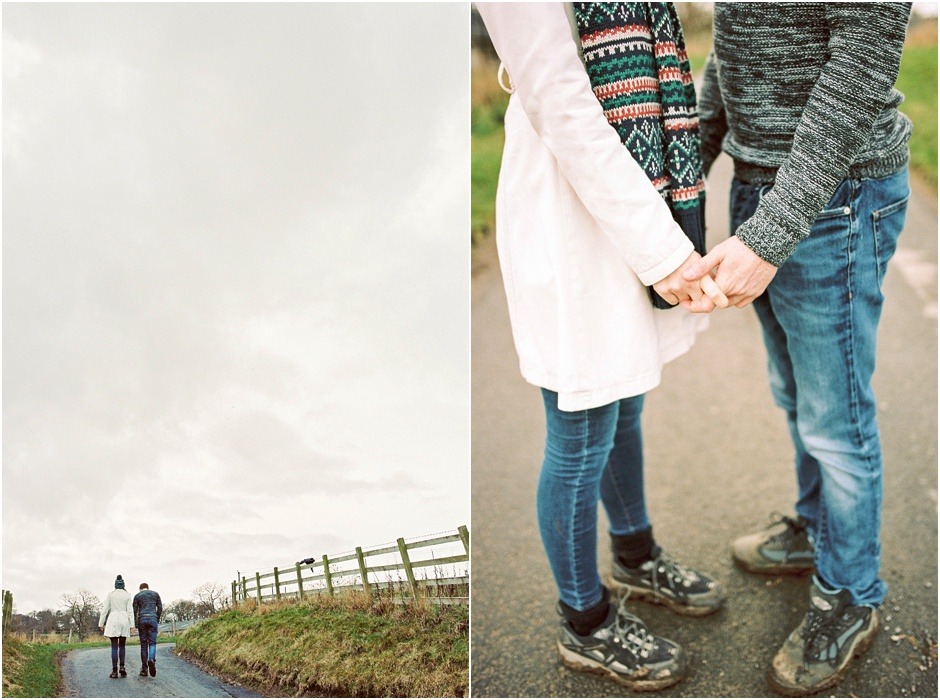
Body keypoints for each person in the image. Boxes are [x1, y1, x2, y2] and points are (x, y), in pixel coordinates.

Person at [477, 2, 727, 691]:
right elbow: (563, 99)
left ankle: (635, 555)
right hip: (571, 207)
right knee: (582, 423)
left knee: (624, 397)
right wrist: (660, 250)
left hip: (630, 193)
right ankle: (584, 621)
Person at [686, 2, 913, 695]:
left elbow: (859, 68)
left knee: (835, 418)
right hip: (761, 185)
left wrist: (769, 232)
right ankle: (819, 528)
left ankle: (851, 593)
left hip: (834, 192)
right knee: (797, 393)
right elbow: (736, 48)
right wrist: (696, 155)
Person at [98, 575, 135, 679]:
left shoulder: (110, 595)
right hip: (124, 620)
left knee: (114, 646)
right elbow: (130, 611)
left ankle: (114, 671)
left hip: (113, 619)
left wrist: (101, 623)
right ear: (123, 585)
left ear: (115, 585)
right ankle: (122, 667)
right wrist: (132, 625)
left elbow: (105, 609)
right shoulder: (127, 595)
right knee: (122, 645)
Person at [133, 582, 163, 677]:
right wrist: (156, 618)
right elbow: (160, 608)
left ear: (140, 589)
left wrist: (135, 623)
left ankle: (144, 669)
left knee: (143, 645)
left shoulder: (137, 596)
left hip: (142, 619)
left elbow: (134, 611)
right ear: (147, 587)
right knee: (152, 643)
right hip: (153, 619)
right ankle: (151, 659)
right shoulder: (155, 594)